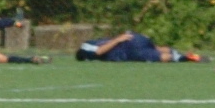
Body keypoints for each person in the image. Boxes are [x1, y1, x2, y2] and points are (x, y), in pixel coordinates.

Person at [75, 31, 204, 62]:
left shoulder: (86, 47)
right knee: (156, 49)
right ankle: (180, 54)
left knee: (158, 56)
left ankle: (182, 57)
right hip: (134, 38)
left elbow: (99, 51)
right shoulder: (97, 41)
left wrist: (118, 39)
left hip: (130, 48)